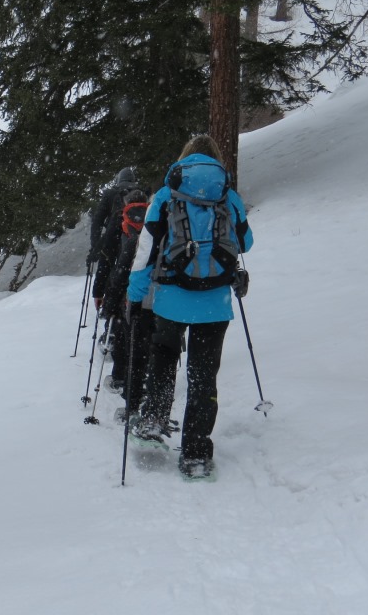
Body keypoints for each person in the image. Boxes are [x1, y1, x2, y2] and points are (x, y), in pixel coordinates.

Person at [126, 135, 253, 480]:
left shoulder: (167, 194)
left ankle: (152, 422)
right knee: (203, 376)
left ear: (184, 159)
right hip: (215, 302)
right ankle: (196, 453)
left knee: (165, 357)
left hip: (172, 298)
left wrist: (135, 298)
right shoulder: (227, 194)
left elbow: (145, 252)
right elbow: (246, 241)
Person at [98, 188, 150, 420]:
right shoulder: (155, 221)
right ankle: (140, 387)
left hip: (126, 292)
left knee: (122, 334)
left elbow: (112, 261)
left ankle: (123, 381)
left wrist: (106, 300)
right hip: (153, 294)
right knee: (143, 345)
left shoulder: (122, 222)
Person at [88, 166, 142, 390]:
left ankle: (111, 336)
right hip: (138, 259)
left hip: (117, 253)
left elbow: (98, 222)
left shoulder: (110, 195)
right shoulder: (142, 196)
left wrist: (95, 247)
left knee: (115, 296)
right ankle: (136, 359)